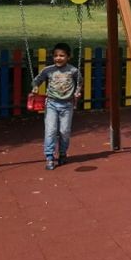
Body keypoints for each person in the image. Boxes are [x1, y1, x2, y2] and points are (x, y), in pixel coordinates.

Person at [30, 42, 82, 170]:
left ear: (68, 57)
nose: (58, 58)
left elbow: (79, 82)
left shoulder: (73, 71)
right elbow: (36, 81)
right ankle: (49, 156)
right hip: (51, 104)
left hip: (67, 104)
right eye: (56, 56)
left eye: (62, 55)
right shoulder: (48, 70)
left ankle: (63, 153)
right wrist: (35, 88)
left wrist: (77, 92)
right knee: (50, 130)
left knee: (64, 131)